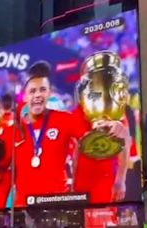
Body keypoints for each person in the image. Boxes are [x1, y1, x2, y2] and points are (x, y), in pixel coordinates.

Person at [13, 61, 130, 207]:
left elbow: (96, 136)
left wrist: (118, 128)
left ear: (50, 93)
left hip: (56, 204)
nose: (37, 95)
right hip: (22, 207)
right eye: (32, 91)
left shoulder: (65, 119)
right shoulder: (14, 130)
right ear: (24, 96)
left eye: (42, 90)